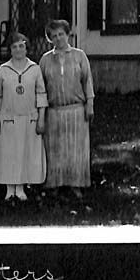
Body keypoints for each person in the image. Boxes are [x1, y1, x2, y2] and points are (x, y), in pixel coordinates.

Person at [0, 33, 47, 202]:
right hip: (9, 120)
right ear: (10, 50)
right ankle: (9, 189)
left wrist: (41, 119)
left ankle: (20, 188)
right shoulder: (3, 70)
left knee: (25, 153)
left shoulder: (34, 69)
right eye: (14, 47)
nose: (18, 49)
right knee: (9, 154)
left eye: (21, 46)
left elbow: (41, 95)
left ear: (26, 48)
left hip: (29, 119)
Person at [38, 19, 95, 194]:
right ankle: (55, 184)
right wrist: (41, 113)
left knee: (76, 149)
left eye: (61, 34)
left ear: (68, 34)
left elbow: (87, 82)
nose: (58, 38)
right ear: (50, 39)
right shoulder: (45, 60)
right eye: (54, 36)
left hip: (76, 110)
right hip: (54, 111)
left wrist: (90, 105)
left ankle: (76, 184)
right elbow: (40, 89)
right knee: (55, 150)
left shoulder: (79, 56)